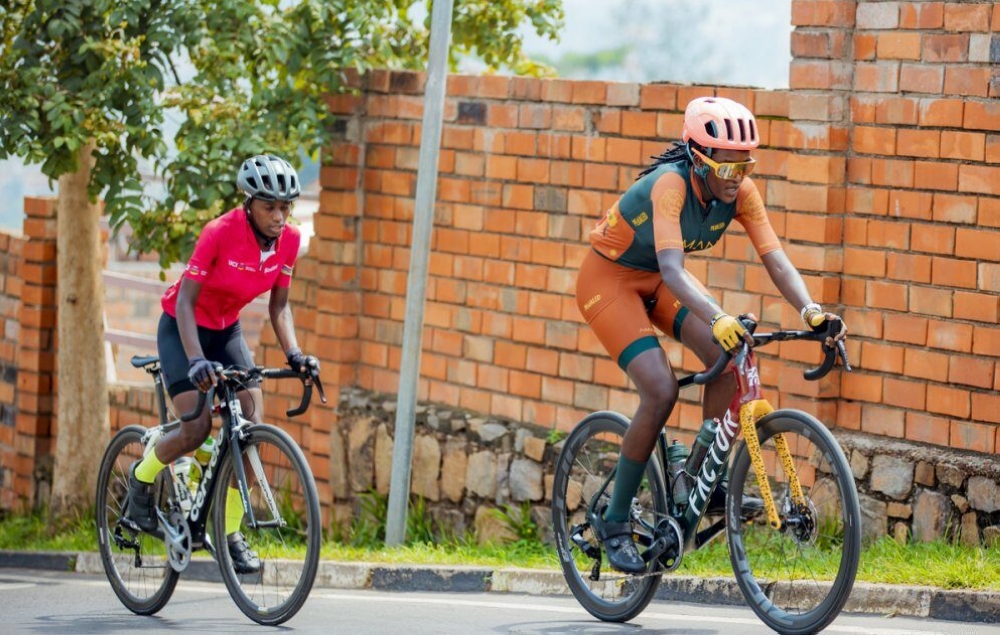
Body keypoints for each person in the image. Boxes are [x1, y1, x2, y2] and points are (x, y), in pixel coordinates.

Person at [576, 96, 847, 574]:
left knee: (731, 351)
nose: (735, 177)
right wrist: (718, 314)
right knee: (659, 390)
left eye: (744, 165)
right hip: (610, 280)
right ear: (697, 159)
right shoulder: (670, 185)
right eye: (725, 167)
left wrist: (811, 310)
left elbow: (776, 258)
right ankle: (615, 521)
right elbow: (672, 267)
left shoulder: (742, 192)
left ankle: (698, 476)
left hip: (660, 282)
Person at [125, 154, 319, 574]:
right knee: (195, 427)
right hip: (183, 328)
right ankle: (141, 478)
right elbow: (185, 301)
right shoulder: (219, 233)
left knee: (249, 426)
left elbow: (279, 306)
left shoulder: (288, 241)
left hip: (227, 330)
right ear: (248, 202)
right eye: (270, 206)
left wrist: (296, 356)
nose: (279, 216)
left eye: (286, 206)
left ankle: (229, 534)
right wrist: (196, 361)